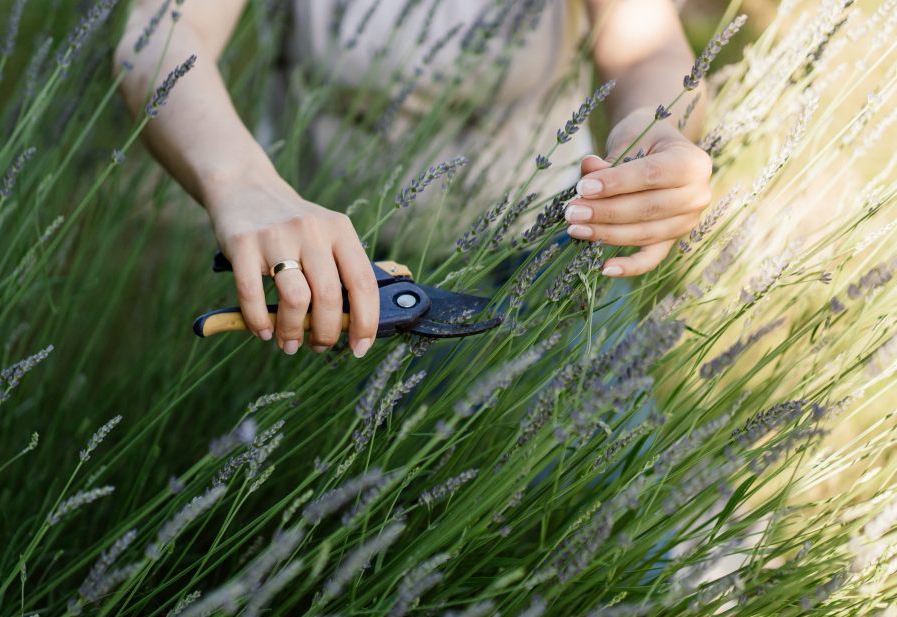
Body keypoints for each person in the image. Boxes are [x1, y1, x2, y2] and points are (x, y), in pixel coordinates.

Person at [115, 0, 712, 359]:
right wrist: (242, 184)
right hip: (326, 265)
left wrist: (655, 132)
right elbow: (162, 35)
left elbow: (645, 48)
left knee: (606, 511)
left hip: (549, 246)